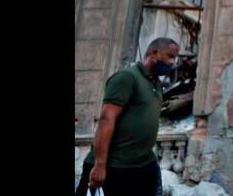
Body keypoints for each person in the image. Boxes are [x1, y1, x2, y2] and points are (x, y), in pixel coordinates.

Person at [76, 38, 180, 196]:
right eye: (170, 56)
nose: (174, 62)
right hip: (115, 167)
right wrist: (100, 165)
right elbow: (106, 120)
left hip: (141, 164)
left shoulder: (155, 83)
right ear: (154, 53)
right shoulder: (127, 78)